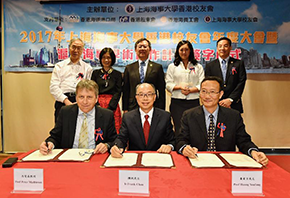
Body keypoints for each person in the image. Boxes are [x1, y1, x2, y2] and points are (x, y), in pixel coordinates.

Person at [176, 76, 268, 166]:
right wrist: (185, 148)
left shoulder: (233, 116)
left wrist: (253, 151)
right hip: (198, 161)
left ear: (220, 94)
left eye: (212, 92)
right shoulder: (189, 115)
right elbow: (181, 140)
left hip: (225, 163)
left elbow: (243, 140)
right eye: (203, 91)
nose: (207, 96)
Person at [40, 79, 117, 155]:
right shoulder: (65, 112)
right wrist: (49, 144)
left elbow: (114, 141)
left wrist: (106, 145)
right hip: (70, 157)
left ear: (96, 99)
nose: (85, 101)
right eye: (81, 97)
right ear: (76, 97)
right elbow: (55, 136)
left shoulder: (107, 115)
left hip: (95, 156)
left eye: (89, 97)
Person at [111, 83, 175, 158]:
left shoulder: (165, 116)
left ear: (154, 97)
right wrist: (117, 147)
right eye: (141, 95)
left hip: (158, 158)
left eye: (149, 94)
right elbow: (121, 139)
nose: (145, 98)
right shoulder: (128, 117)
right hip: (135, 159)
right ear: (136, 97)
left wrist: (169, 146)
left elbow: (172, 140)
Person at [50, 38, 93, 122]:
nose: (76, 50)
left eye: (79, 48)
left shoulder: (88, 68)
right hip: (62, 102)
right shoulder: (59, 66)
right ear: (69, 47)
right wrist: (66, 101)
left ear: (82, 50)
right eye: (73, 47)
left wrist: (81, 102)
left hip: (81, 103)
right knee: (61, 132)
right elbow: (53, 87)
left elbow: (89, 89)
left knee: (79, 131)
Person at [166, 40, 204, 134]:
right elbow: (168, 84)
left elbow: (202, 84)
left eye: (186, 49)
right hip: (177, 102)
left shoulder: (198, 66)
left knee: (194, 128)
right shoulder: (172, 66)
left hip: (193, 101)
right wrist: (179, 87)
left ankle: (192, 148)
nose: (184, 52)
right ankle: (180, 147)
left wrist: (191, 90)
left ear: (190, 51)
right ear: (177, 51)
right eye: (181, 50)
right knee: (179, 128)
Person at [122, 38, 165, 112]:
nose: (142, 49)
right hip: (133, 106)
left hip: (153, 105)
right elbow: (126, 90)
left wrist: (162, 109)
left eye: (145, 46)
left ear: (150, 49)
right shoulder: (129, 68)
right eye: (140, 46)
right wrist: (125, 108)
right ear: (135, 50)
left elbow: (161, 90)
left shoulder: (157, 67)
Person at [205, 37, 246, 113]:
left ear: (230, 48)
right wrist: (217, 99)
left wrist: (230, 99)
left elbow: (241, 82)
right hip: (216, 103)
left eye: (225, 46)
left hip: (234, 104)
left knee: (234, 124)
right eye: (220, 46)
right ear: (217, 48)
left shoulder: (238, 64)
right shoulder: (210, 66)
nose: (222, 48)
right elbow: (209, 85)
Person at [91, 48, 122, 133]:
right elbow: (93, 90)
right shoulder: (95, 73)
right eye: (104, 57)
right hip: (97, 103)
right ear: (100, 59)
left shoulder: (118, 74)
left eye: (109, 58)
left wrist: (111, 107)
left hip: (112, 104)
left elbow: (118, 92)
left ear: (112, 59)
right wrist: (97, 104)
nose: (106, 60)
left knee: (113, 128)